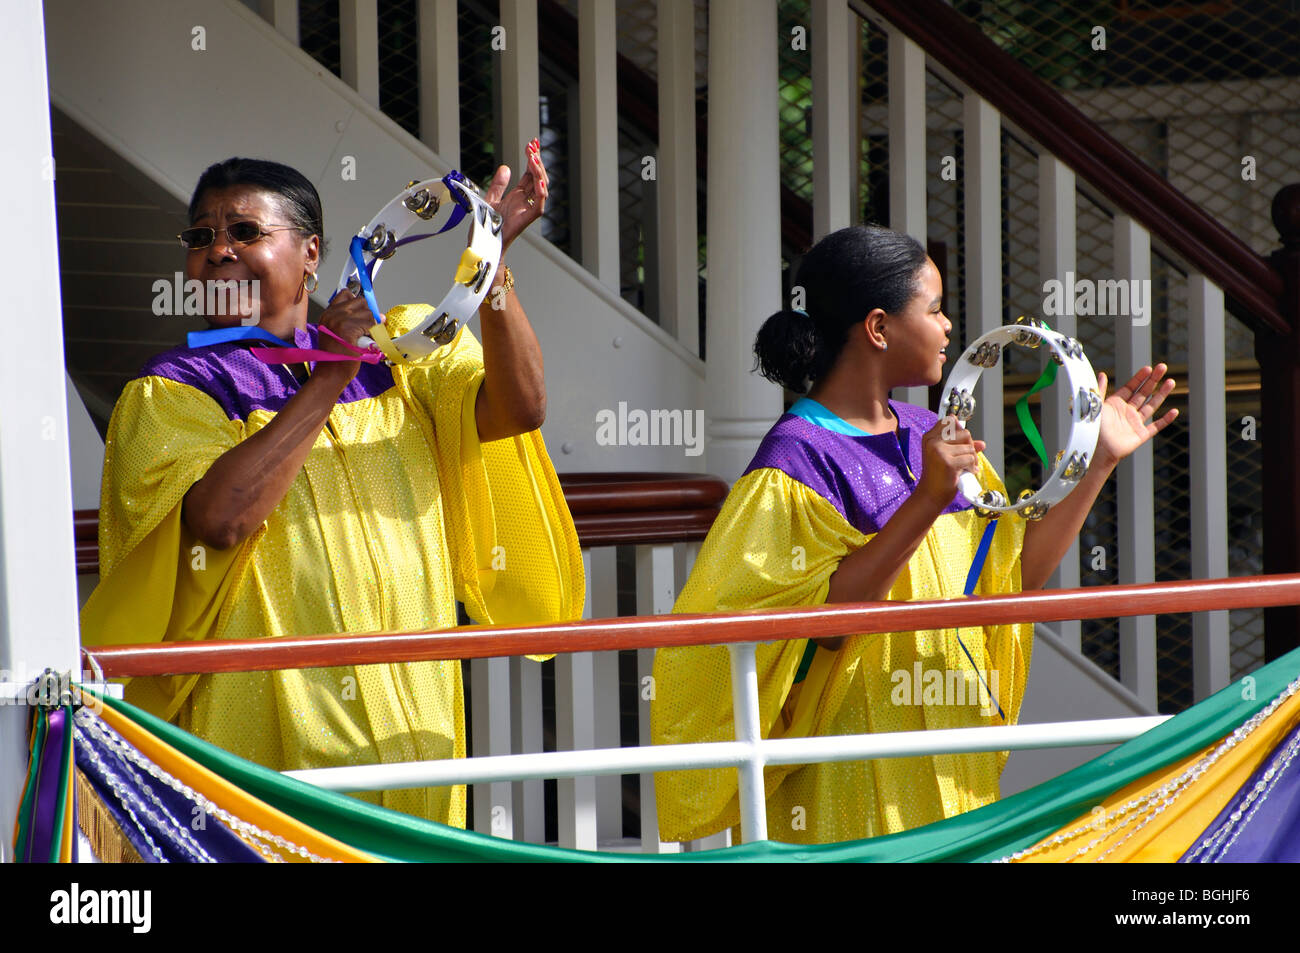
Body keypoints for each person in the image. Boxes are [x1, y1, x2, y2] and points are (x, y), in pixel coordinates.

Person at [79, 153, 584, 826]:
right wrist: (327, 376)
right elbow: (221, 520)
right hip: (265, 754)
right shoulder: (173, 390)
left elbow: (519, 407)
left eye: (244, 231)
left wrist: (490, 264)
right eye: (200, 237)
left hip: (415, 735)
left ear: (312, 253)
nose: (218, 250)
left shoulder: (397, 359)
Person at [650, 225, 1177, 845]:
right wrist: (928, 497)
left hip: (952, 756)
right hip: (847, 769)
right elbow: (830, 620)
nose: (949, 324)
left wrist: (1098, 460)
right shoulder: (794, 459)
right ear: (878, 328)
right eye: (933, 308)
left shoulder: (935, 430)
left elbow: (1013, 580)